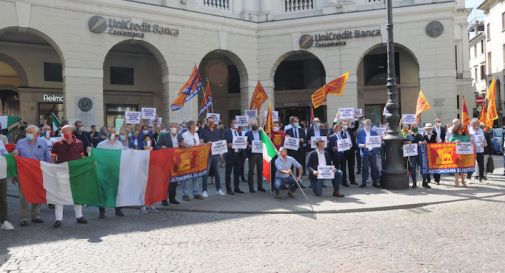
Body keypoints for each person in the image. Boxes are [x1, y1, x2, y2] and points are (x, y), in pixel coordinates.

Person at [51, 125, 88, 228]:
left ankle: (79, 216)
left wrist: (88, 161)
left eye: (65, 131)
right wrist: (54, 169)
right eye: (62, 132)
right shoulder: (57, 144)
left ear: (71, 132)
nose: (63, 133)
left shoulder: (80, 143)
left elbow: (82, 157)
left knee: (77, 194)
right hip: (61, 172)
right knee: (60, 194)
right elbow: (53, 157)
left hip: (76, 173)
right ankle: (58, 219)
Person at [13, 125, 50, 226]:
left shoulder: (43, 143)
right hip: (24, 174)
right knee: (23, 196)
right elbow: (16, 158)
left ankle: (36, 215)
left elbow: (47, 158)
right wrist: (15, 154)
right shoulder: (20, 143)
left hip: (38, 173)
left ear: (37, 134)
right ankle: (23, 218)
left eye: (30, 132)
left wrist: (48, 172)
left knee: (37, 193)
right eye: (27, 132)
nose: (28, 134)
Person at [96, 131, 126, 218]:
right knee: (103, 190)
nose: (114, 136)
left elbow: (123, 154)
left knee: (117, 190)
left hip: (116, 170)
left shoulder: (119, 144)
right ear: (108, 135)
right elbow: (97, 155)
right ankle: (102, 211)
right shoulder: (101, 144)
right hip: (104, 170)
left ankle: (118, 209)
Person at [200, 116, 225, 197]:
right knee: (206, 173)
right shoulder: (203, 131)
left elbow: (220, 142)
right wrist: (207, 144)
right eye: (210, 122)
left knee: (217, 173)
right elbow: (201, 143)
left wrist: (221, 155)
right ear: (207, 123)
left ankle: (219, 189)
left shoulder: (217, 131)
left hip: (216, 155)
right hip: (207, 155)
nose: (211, 123)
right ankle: (204, 191)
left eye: (213, 122)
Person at [157, 122, 181, 205]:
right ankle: (164, 199)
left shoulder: (179, 136)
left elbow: (182, 147)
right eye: (172, 127)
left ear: (177, 128)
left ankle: (172, 198)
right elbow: (157, 146)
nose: (174, 128)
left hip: (176, 161)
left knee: (174, 181)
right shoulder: (164, 136)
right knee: (166, 181)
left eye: (175, 127)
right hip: (166, 162)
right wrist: (161, 147)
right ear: (169, 128)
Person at [180, 121, 204, 201]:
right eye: (194, 125)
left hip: (196, 158)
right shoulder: (184, 135)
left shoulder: (196, 134)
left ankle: (195, 193)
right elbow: (181, 143)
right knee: (186, 177)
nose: (196, 126)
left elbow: (197, 144)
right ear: (190, 126)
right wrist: (188, 146)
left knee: (196, 176)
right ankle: (185, 194)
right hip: (187, 158)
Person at [223, 119, 245, 195]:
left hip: (238, 154)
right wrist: (228, 145)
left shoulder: (239, 132)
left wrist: (244, 143)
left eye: (237, 123)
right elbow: (223, 142)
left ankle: (236, 188)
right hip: (230, 154)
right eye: (234, 123)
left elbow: (241, 141)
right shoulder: (226, 132)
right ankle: (228, 189)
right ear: (231, 124)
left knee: (237, 172)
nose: (236, 124)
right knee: (228, 173)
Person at [356, 119, 380, 188]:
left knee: (374, 167)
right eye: (366, 124)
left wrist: (379, 140)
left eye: (369, 124)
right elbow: (357, 143)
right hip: (365, 152)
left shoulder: (374, 132)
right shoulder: (360, 132)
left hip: (373, 152)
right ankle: (364, 182)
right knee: (365, 168)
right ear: (364, 124)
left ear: (371, 124)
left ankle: (375, 182)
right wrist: (362, 145)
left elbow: (377, 142)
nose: (368, 125)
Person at [245, 119, 266, 193]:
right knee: (251, 171)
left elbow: (264, 141)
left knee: (260, 170)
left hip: (260, 154)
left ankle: (260, 186)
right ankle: (251, 188)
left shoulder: (261, 133)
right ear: (250, 124)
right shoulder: (247, 133)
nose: (254, 124)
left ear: (257, 124)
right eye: (253, 123)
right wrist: (248, 145)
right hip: (252, 154)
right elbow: (245, 143)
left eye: (255, 123)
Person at [448, 121, 469, 187]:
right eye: (461, 128)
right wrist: (454, 142)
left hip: (464, 155)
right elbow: (448, 144)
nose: (462, 130)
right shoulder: (453, 136)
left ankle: (463, 181)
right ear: (457, 129)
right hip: (456, 155)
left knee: (463, 169)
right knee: (456, 169)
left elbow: (469, 144)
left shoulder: (465, 136)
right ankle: (456, 181)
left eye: (463, 128)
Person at [404, 123, 425, 188]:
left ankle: (424, 182)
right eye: (414, 126)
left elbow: (425, 142)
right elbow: (404, 142)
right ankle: (414, 183)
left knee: (423, 168)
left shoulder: (420, 135)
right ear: (412, 128)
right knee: (413, 169)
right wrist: (407, 142)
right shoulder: (409, 136)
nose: (415, 127)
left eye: (416, 126)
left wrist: (422, 142)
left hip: (420, 155)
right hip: (413, 155)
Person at [328, 122, 348, 187]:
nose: (340, 129)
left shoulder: (343, 136)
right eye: (339, 128)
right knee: (336, 170)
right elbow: (329, 147)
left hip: (343, 155)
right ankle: (336, 183)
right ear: (335, 129)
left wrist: (348, 145)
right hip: (336, 156)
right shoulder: (331, 137)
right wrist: (333, 148)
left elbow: (346, 144)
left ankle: (344, 182)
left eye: (340, 128)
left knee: (344, 169)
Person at [0, 138, 14, 231]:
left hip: (1, 174)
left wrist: (13, 155)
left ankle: (4, 221)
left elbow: (5, 155)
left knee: (2, 199)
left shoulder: (0, 141)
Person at [421, 123, 437, 187]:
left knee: (435, 166)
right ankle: (428, 179)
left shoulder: (435, 134)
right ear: (425, 129)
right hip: (426, 152)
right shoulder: (423, 135)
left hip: (434, 152)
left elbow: (439, 142)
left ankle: (437, 179)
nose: (429, 129)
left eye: (430, 128)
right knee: (427, 166)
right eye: (427, 129)